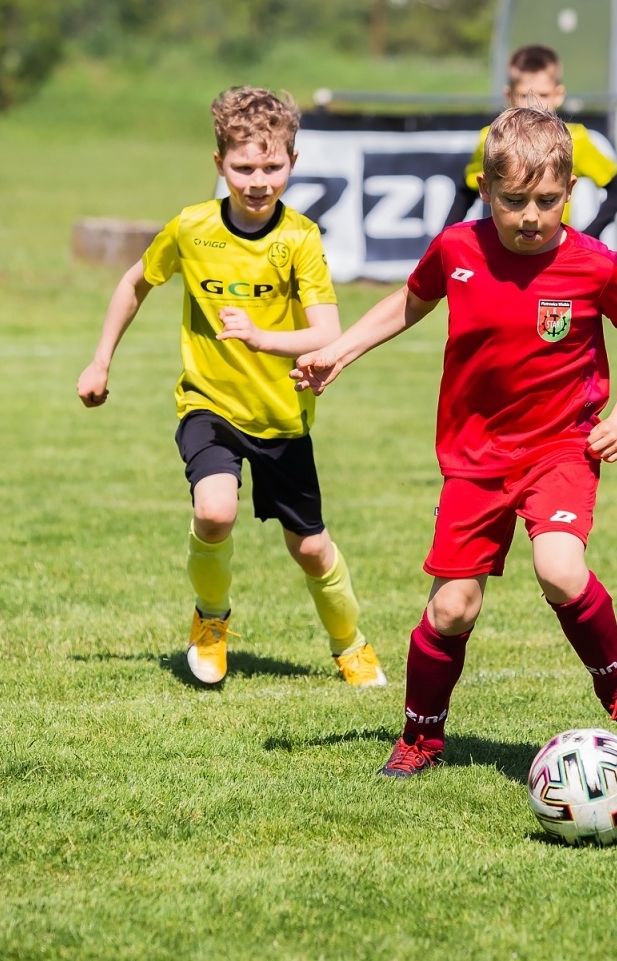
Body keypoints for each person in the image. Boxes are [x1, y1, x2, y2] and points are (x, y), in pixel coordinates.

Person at [291, 105, 617, 778]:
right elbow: (411, 300)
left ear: (571, 194)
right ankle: (420, 739)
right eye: (514, 201)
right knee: (451, 608)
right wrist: (341, 351)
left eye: (548, 201)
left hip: (561, 446)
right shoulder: (458, 250)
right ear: (486, 191)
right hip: (474, 459)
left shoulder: (593, 266)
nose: (531, 215)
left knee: (559, 569)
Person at [76, 86, 386, 689]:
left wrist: (262, 338)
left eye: (273, 167)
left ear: (293, 163)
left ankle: (350, 645)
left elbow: (328, 331)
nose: (258, 180)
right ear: (219, 164)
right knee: (214, 511)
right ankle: (211, 623)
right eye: (243, 167)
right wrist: (100, 362)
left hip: (280, 416)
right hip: (208, 404)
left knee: (313, 551)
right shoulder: (191, 229)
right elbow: (135, 283)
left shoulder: (299, 239)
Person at [441, 44, 617, 238]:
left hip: (554, 256)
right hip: (504, 252)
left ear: (559, 95)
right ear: (508, 95)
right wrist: (444, 241)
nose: (534, 103)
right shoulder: (491, 138)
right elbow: (466, 192)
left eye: (543, 94)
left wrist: (587, 237)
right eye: (524, 95)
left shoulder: (576, 140)